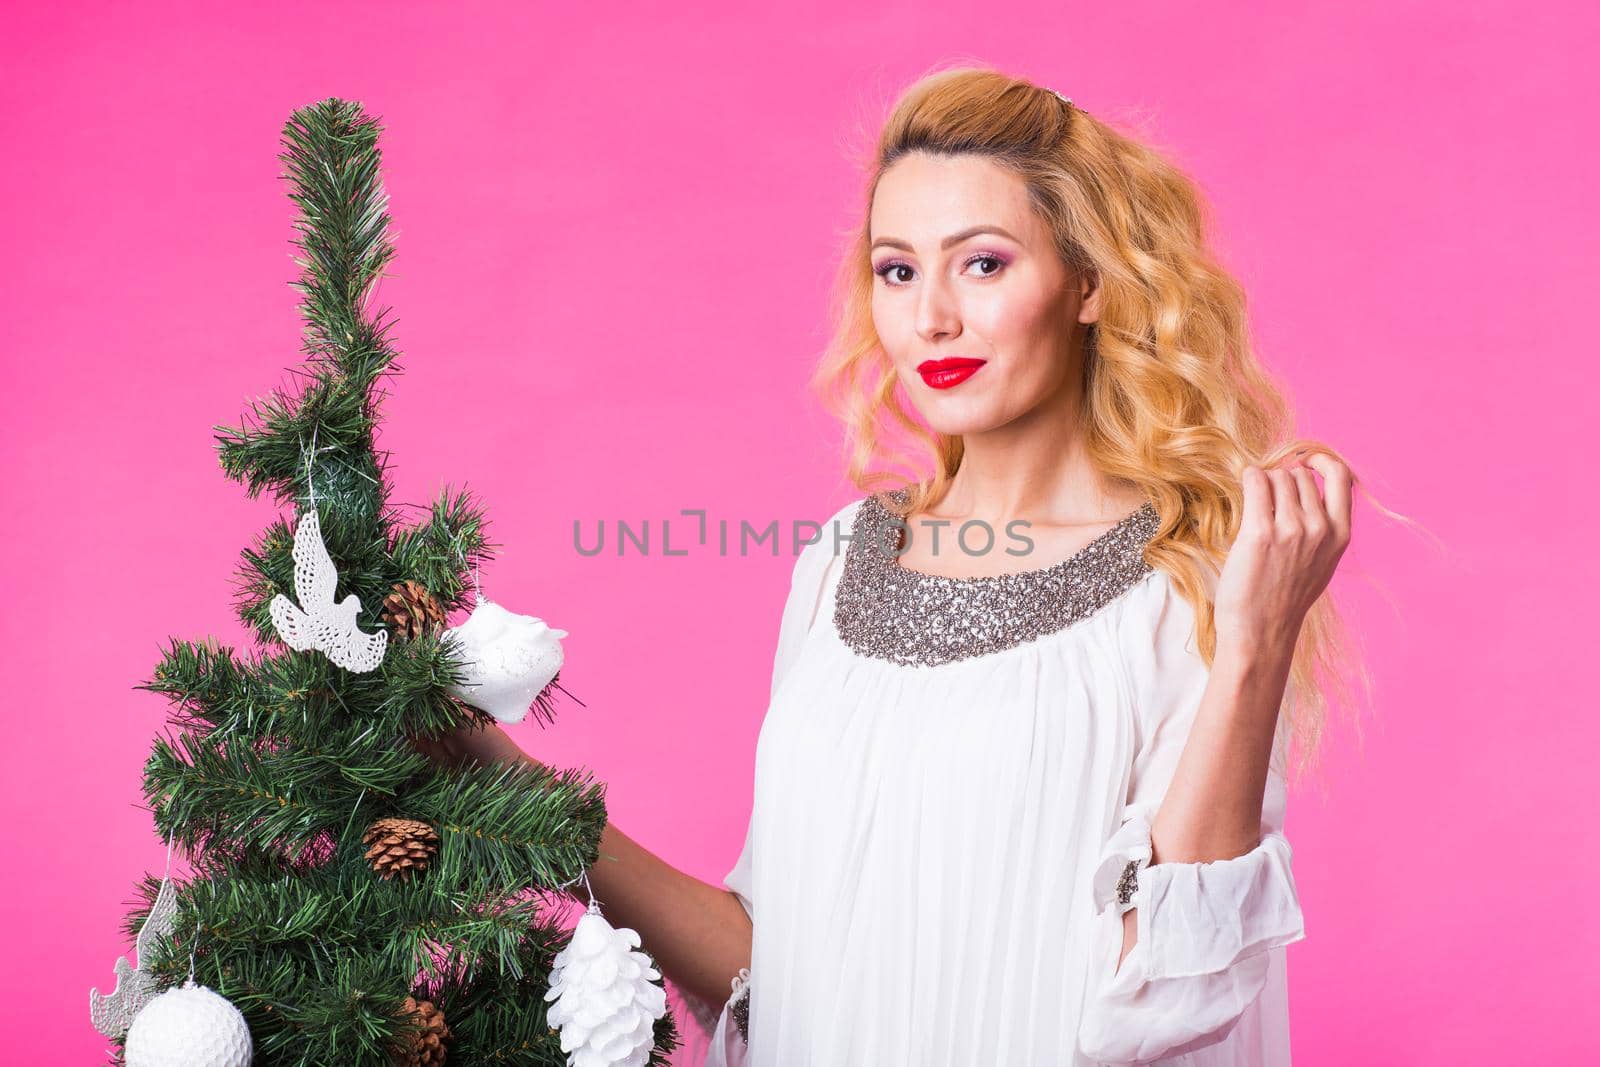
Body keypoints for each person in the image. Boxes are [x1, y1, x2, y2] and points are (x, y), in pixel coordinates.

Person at [418, 64, 1364, 1066]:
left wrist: (1257, 641)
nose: (931, 319)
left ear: (1087, 283)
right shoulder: (836, 563)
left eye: (984, 264)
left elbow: (1174, 993)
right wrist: (499, 775)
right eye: (898, 270)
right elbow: (770, 966)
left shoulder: (1192, 580)